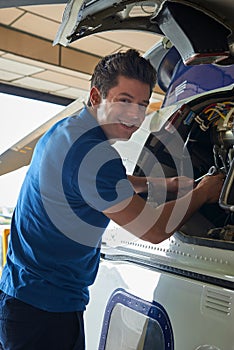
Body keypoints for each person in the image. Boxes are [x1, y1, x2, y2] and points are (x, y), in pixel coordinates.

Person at [0, 49, 224, 350]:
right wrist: (205, 192)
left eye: (142, 104)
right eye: (124, 100)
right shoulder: (95, 156)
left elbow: (103, 183)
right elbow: (155, 229)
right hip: (45, 312)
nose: (135, 114)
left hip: (23, 296)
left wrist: (166, 184)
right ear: (96, 96)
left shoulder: (68, 132)